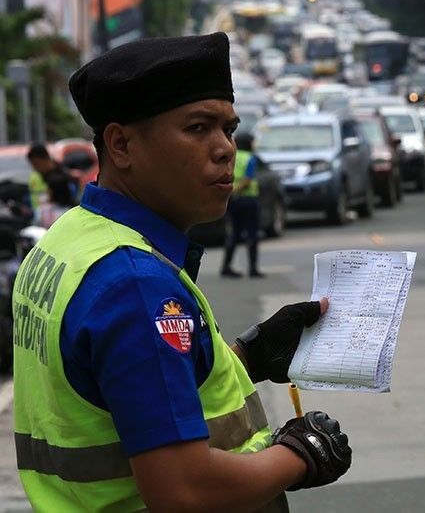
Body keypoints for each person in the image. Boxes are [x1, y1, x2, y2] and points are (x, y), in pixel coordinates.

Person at [13, 33, 351, 512]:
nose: (224, 149)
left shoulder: (71, 239)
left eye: (229, 130)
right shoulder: (134, 284)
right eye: (198, 128)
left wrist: (249, 357)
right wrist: (301, 454)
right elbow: (184, 490)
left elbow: (115, 391)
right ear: (122, 144)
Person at [221, 132, 264, 278]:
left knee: (234, 233)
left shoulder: (233, 156)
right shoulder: (250, 158)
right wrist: (237, 190)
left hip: (233, 200)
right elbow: (247, 180)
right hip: (248, 200)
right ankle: (253, 268)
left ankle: (226, 266)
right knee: (252, 234)